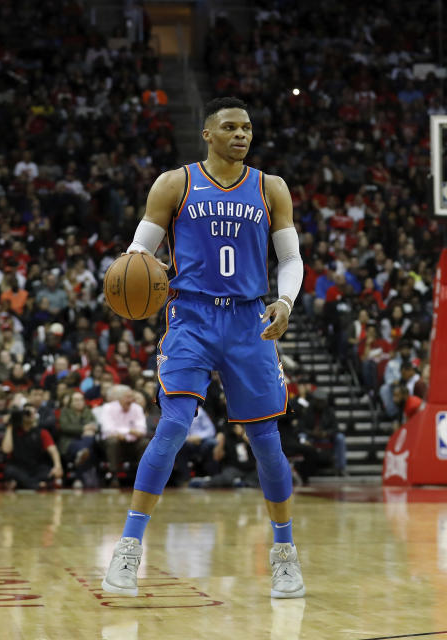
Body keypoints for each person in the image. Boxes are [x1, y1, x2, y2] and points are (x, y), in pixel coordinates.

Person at [102, 97, 306, 600]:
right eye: (231, 127)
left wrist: (284, 301)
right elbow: (137, 252)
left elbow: (292, 256)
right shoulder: (176, 183)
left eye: (248, 127)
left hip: (248, 320)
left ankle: (284, 554)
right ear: (208, 135)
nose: (242, 135)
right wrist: (137, 276)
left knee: (266, 443)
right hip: (190, 315)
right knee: (172, 425)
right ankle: (128, 550)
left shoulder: (270, 187)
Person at [0, 406, 64, 490]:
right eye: (27, 413)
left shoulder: (42, 432)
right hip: (18, 466)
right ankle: (37, 485)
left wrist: (58, 466)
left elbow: (53, 450)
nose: (29, 415)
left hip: (36, 466)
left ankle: (24, 483)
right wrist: (10, 425)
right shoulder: (13, 431)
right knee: (10, 471)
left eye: (33, 413)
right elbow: (6, 450)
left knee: (49, 473)